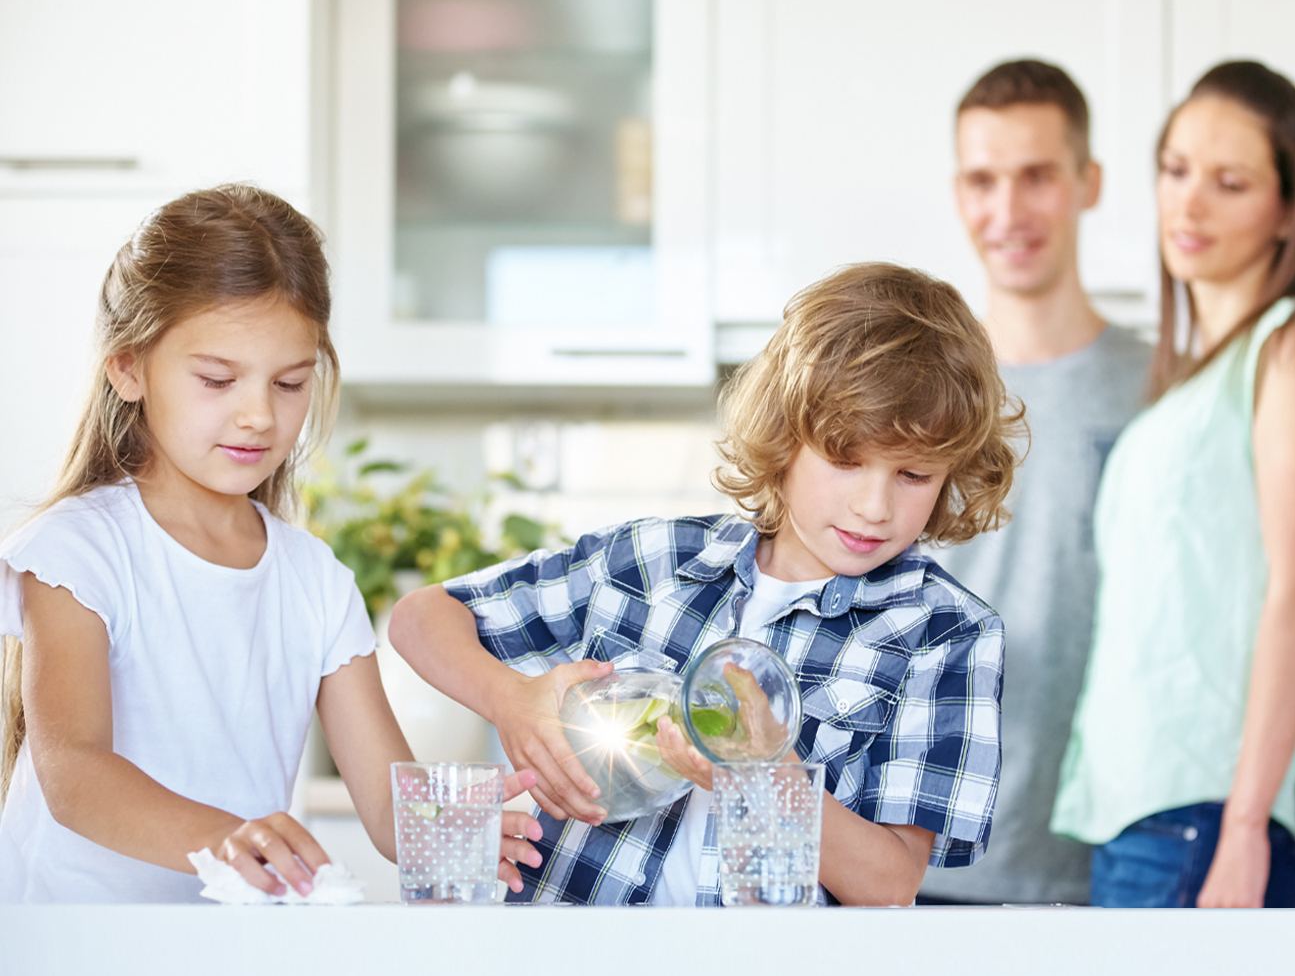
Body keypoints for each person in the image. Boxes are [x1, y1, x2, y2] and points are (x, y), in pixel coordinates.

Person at [389, 263, 1022, 906]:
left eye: (913, 475)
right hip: (571, 974)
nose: (874, 506)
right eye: (845, 459)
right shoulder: (650, 561)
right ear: (784, 439)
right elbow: (420, 618)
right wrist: (510, 699)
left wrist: (764, 773)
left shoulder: (946, 635)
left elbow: (890, 883)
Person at [0, 185, 541, 902]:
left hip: (226, 955)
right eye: (217, 379)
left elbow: (385, 802)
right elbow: (74, 772)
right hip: (68, 956)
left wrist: (451, 824)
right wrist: (227, 837)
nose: (258, 414)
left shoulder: (312, 578)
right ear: (129, 368)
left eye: (289, 383)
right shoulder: (78, 550)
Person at [1052, 61, 1295, 909]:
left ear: (1291, 210)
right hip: (1143, 814)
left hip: (1202, 821)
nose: (1187, 204)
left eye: (1229, 183)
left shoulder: (1294, 347)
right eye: (1175, 169)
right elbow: (1211, 606)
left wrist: (1242, 823)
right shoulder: (1193, 383)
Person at [917, 60, 1153, 907]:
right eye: (983, 180)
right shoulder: (916, 386)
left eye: (1037, 177)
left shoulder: (1162, 388)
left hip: (1112, 858)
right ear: (957, 192)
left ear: (1088, 183)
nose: (1008, 212)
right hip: (923, 855)